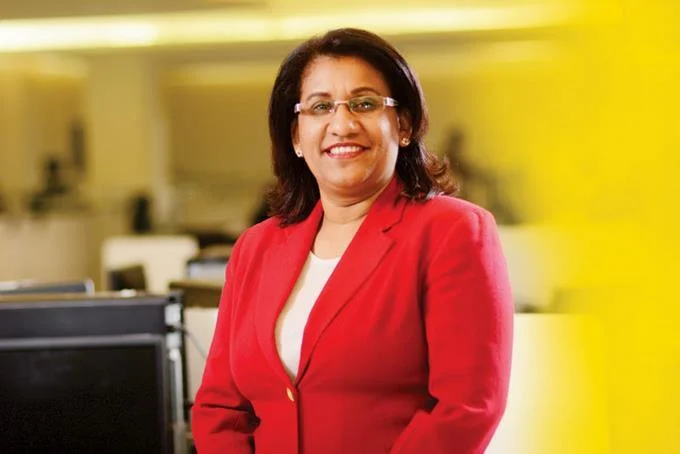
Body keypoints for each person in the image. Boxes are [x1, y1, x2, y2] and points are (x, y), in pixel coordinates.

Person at [192, 28, 513, 454]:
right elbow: (220, 408)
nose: (341, 125)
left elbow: (465, 408)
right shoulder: (256, 247)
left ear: (403, 124)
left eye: (364, 104)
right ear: (296, 137)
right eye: (320, 106)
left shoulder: (453, 232)